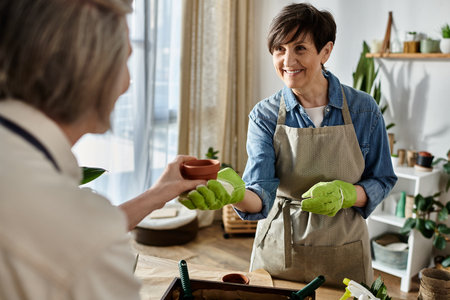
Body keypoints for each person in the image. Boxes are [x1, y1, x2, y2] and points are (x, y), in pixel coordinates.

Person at [178, 2, 397, 288]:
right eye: (279, 49)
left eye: (300, 48)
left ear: (326, 51)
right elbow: (261, 191)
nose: (287, 60)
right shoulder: (264, 115)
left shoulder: (363, 110)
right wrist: (234, 193)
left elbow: (382, 178)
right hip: (280, 250)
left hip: (344, 249)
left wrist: (347, 194)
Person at [0, 0, 205, 299]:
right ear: (91, 72)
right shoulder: (86, 236)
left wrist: (160, 192)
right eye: (125, 60)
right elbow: (79, 235)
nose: (127, 83)